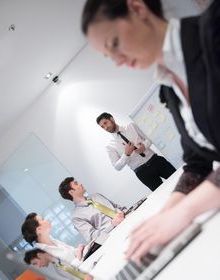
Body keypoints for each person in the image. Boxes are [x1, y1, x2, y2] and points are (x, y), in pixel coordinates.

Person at [81, 0, 220, 263]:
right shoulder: (169, 88)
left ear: (137, 8)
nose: (119, 62)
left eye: (114, 44)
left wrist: (183, 212)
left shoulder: (213, 29)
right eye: (110, 57)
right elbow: (197, 162)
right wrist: (165, 213)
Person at [96, 112, 176, 191]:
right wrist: (126, 154)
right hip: (143, 173)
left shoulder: (131, 126)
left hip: (157, 161)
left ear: (111, 119)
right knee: (163, 195)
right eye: (102, 127)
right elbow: (117, 167)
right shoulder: (110, 146)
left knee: (182, 181)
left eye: (105, 123)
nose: (105, 128)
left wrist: (144, 146)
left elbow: (149, 137)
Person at [59, 177, 126, 244]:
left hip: (126, 220)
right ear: (71, 192)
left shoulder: (96, 195)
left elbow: (116, 206)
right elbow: (92, 237)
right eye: (76, 184)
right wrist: (112, 224)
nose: (80, 184)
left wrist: (125, 212)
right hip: (113, 236)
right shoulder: (76, 217)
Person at [21, 212, 86, 267]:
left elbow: (74, 252)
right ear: (39, 230)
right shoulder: (43, 255)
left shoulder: (53, 241)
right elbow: (72, 270)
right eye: (43, 219)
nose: (47, 220)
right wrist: (80, 251)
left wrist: (82, 250)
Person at [24, 248, 93, 280]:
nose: (38, 266)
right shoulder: (56, 266)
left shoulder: (60, 256)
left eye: (35, 263)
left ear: (39, 255)